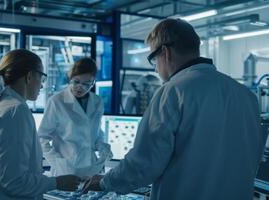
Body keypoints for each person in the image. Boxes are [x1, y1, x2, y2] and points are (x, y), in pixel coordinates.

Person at [83, 19, 267, 200]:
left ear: (165, 52)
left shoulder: (173, 91)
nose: (155, 69)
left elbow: (144, 164)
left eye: (153, 59)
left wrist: (104, 182)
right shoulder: (245, 95)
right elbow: (252, 158)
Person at [0, 49, 80, 200]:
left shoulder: (1, 105)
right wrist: (59, 182)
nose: (41, 86)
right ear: (29, 76)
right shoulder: (16, 111)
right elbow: (15, 182)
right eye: (42, 77)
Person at [38, 57, 112, 177]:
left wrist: (103, 147)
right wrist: (59, 163)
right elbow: (42, 138)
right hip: (65, 170)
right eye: (76, 82)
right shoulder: (57, 101)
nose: (80, 87)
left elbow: (96, 133)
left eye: (86, 84)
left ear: (93, 82)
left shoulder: (97, 102)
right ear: (70, 79)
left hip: (91, 167)